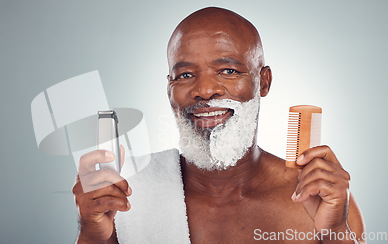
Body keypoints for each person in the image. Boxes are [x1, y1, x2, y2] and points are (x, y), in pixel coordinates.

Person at [72, 7, 365, 244]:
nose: (206, 89)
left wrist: (336, 234)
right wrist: (91, 236)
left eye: (228, 70)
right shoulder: (123, 197)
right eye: (185, 75)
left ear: (263, 82)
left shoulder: (321, 201)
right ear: (169, 89)